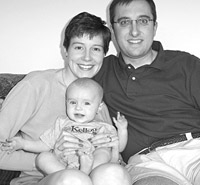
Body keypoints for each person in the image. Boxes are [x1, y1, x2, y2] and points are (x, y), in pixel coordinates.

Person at [0, 12, 131, 185]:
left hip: (91, 175)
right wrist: (50, 159)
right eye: (78, 47)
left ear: (103, 56)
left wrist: (114, 148)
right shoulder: (36, 86)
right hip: (43, 178)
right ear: (65, 50)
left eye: (96, 49)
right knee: (73, 179)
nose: (87, 57)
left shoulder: (98, 101)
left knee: (114, 173)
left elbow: (113, 158)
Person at [94, 0, 200, 184]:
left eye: (143, 21)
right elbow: (64, 82)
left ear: (155, 26)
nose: (134, 31)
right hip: (147, 162)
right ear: (112, 29)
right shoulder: (100, 70)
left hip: (195, 150)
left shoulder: (186, 64)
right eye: (125, 22)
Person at [1, 78, 128, 176]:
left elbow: (119, 147)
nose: (78, 107)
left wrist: (122, 130)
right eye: (73, 102)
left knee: (103, 152)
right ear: (66, 102)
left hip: (92, 163)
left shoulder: (103, 127)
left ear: (99, 107)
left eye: (87, 103)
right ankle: (76, 174)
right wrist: (23, 144)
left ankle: (85, 171)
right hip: (64, 165)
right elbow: (45, 144)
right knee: (43, 158)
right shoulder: (61, 123)